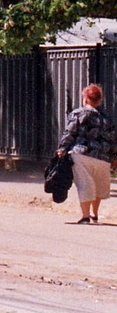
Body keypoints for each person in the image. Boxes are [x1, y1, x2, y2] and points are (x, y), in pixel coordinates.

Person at [56, 84, 117, 224]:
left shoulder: (78, 113)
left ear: (85, 99)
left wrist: (62, 148)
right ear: (99, 100)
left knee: (85, 183)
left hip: (81, 153)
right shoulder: (107, 119)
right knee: (98, 184)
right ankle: (94, 213)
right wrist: (114, 156)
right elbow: (113, 139)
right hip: (103, 156)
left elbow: (70, 133)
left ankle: (85, 216)